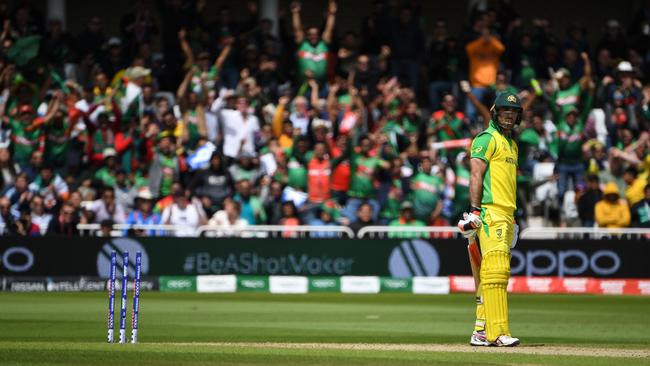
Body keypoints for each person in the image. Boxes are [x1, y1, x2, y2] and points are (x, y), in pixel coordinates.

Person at [458, 92, 522, 347]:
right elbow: (476, 175)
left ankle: (481, 331)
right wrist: (474, 210)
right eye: (505, 112)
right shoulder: (486, 139)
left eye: (513, 113)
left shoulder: (512, 145)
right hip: (490, 212)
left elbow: (507, 184)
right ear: (496, 113)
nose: (509, 116)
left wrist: (513, 218)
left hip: (506, 215)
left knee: (489, 273)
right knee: (496, 272)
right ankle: (498, 333)